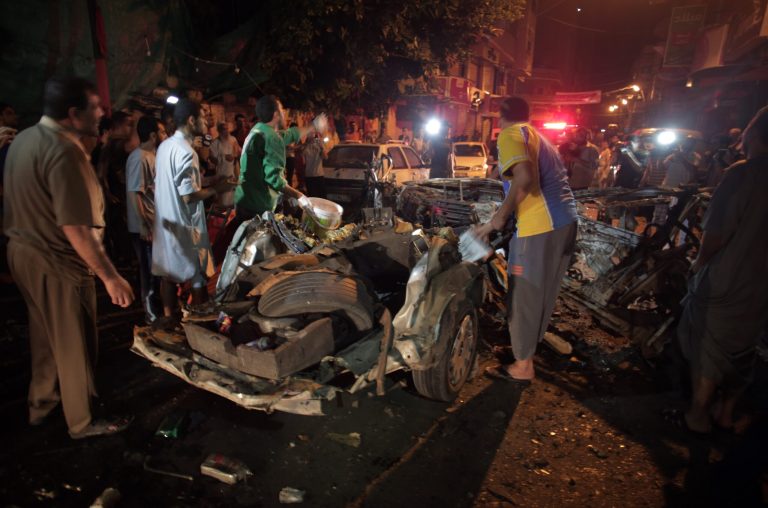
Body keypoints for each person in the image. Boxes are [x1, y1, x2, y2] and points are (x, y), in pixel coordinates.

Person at [4, 76, 134, 438]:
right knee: (74, 341)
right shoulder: (63, 151)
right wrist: (110, 276)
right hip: (57, 261)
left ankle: (41, 405)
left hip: (23, 255)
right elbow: (76, 227)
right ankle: (83, 419)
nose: (102, 113)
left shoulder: (26, 138)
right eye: (95, 107)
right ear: (73, 113)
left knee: (45, 335)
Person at [676, 106, 768, 434]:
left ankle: (698, 414)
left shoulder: (743, 174)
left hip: (729, 278)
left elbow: (715, 234)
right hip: (761, 285)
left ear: (752, 136)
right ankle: (726, 411)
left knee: (707, 343)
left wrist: (698, 265)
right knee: (745, 344)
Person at [475, 96, 577, 384]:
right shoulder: (537, 136)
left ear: (499, 114)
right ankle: (526, 350)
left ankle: (522, 365)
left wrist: (497, 220)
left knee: (523, 293)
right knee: (543, 292)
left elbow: (525, 176)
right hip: (566, 222)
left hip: (538, 226)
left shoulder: (509, 134)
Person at [152, 99, 234, 324]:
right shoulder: (187, 152)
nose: (208, 123)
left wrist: (209, 179)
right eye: (203, 118)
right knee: (196, 277)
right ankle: (198, 324)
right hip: (185, 227)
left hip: (165, 223)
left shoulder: (165, 146)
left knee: (168, 276)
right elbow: (188, 196)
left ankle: (169, 320)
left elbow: (179, 183)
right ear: (191, 121)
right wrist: (218, 188)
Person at [234, 95, 325, 223]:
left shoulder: (258, 130)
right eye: (282, 110)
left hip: (244, 200)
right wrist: (299, 196)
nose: (284, 114)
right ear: (276, 114)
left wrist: (312, 126)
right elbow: (275, 180)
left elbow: (288, 135)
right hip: (257, 206)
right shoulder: (271, 138)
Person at [126, 116, 166, 324]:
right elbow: (135, 193)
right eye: (161, 132)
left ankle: (157, 309)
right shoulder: (139, 158)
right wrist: (143, 224)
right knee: (149, 272)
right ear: (152, 135)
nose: (164, 135)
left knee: (156, 270)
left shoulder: (151, 156)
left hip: (152, 223)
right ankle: (151, 315)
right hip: (144, 227)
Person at [210, 121, 241, 207]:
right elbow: (212, 159)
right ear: (219, 131)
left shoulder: (233, 139)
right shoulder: (215, 143)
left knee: (235, 200)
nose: (226, 131)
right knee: (224, 201)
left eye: (227, 129)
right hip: (222, 174)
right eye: (224, 129)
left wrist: (234, 156)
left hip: (233, 173)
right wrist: (222, 158)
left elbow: (238, 152)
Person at [303, 133, 325, 198]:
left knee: (319, 197)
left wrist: (321, 148)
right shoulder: (305, 146)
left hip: (317, 175)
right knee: (315, 197)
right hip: (311, 175)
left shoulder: (319, 144)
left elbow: (325, 156)